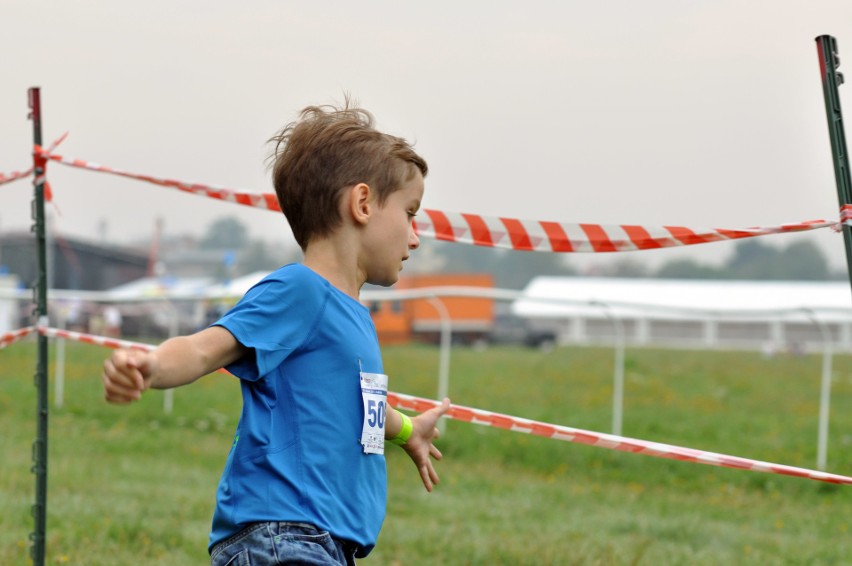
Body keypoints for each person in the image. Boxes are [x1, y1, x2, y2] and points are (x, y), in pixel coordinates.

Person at [102, 100, 451, 565]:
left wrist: (406, 430)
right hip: (286, 538)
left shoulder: (350, 315)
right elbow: (207, 349)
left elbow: (357, 405)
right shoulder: (301, 290)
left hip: (317, 543)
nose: (415, 236)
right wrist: (151, 365)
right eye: (410, 213)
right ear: (363, 203)